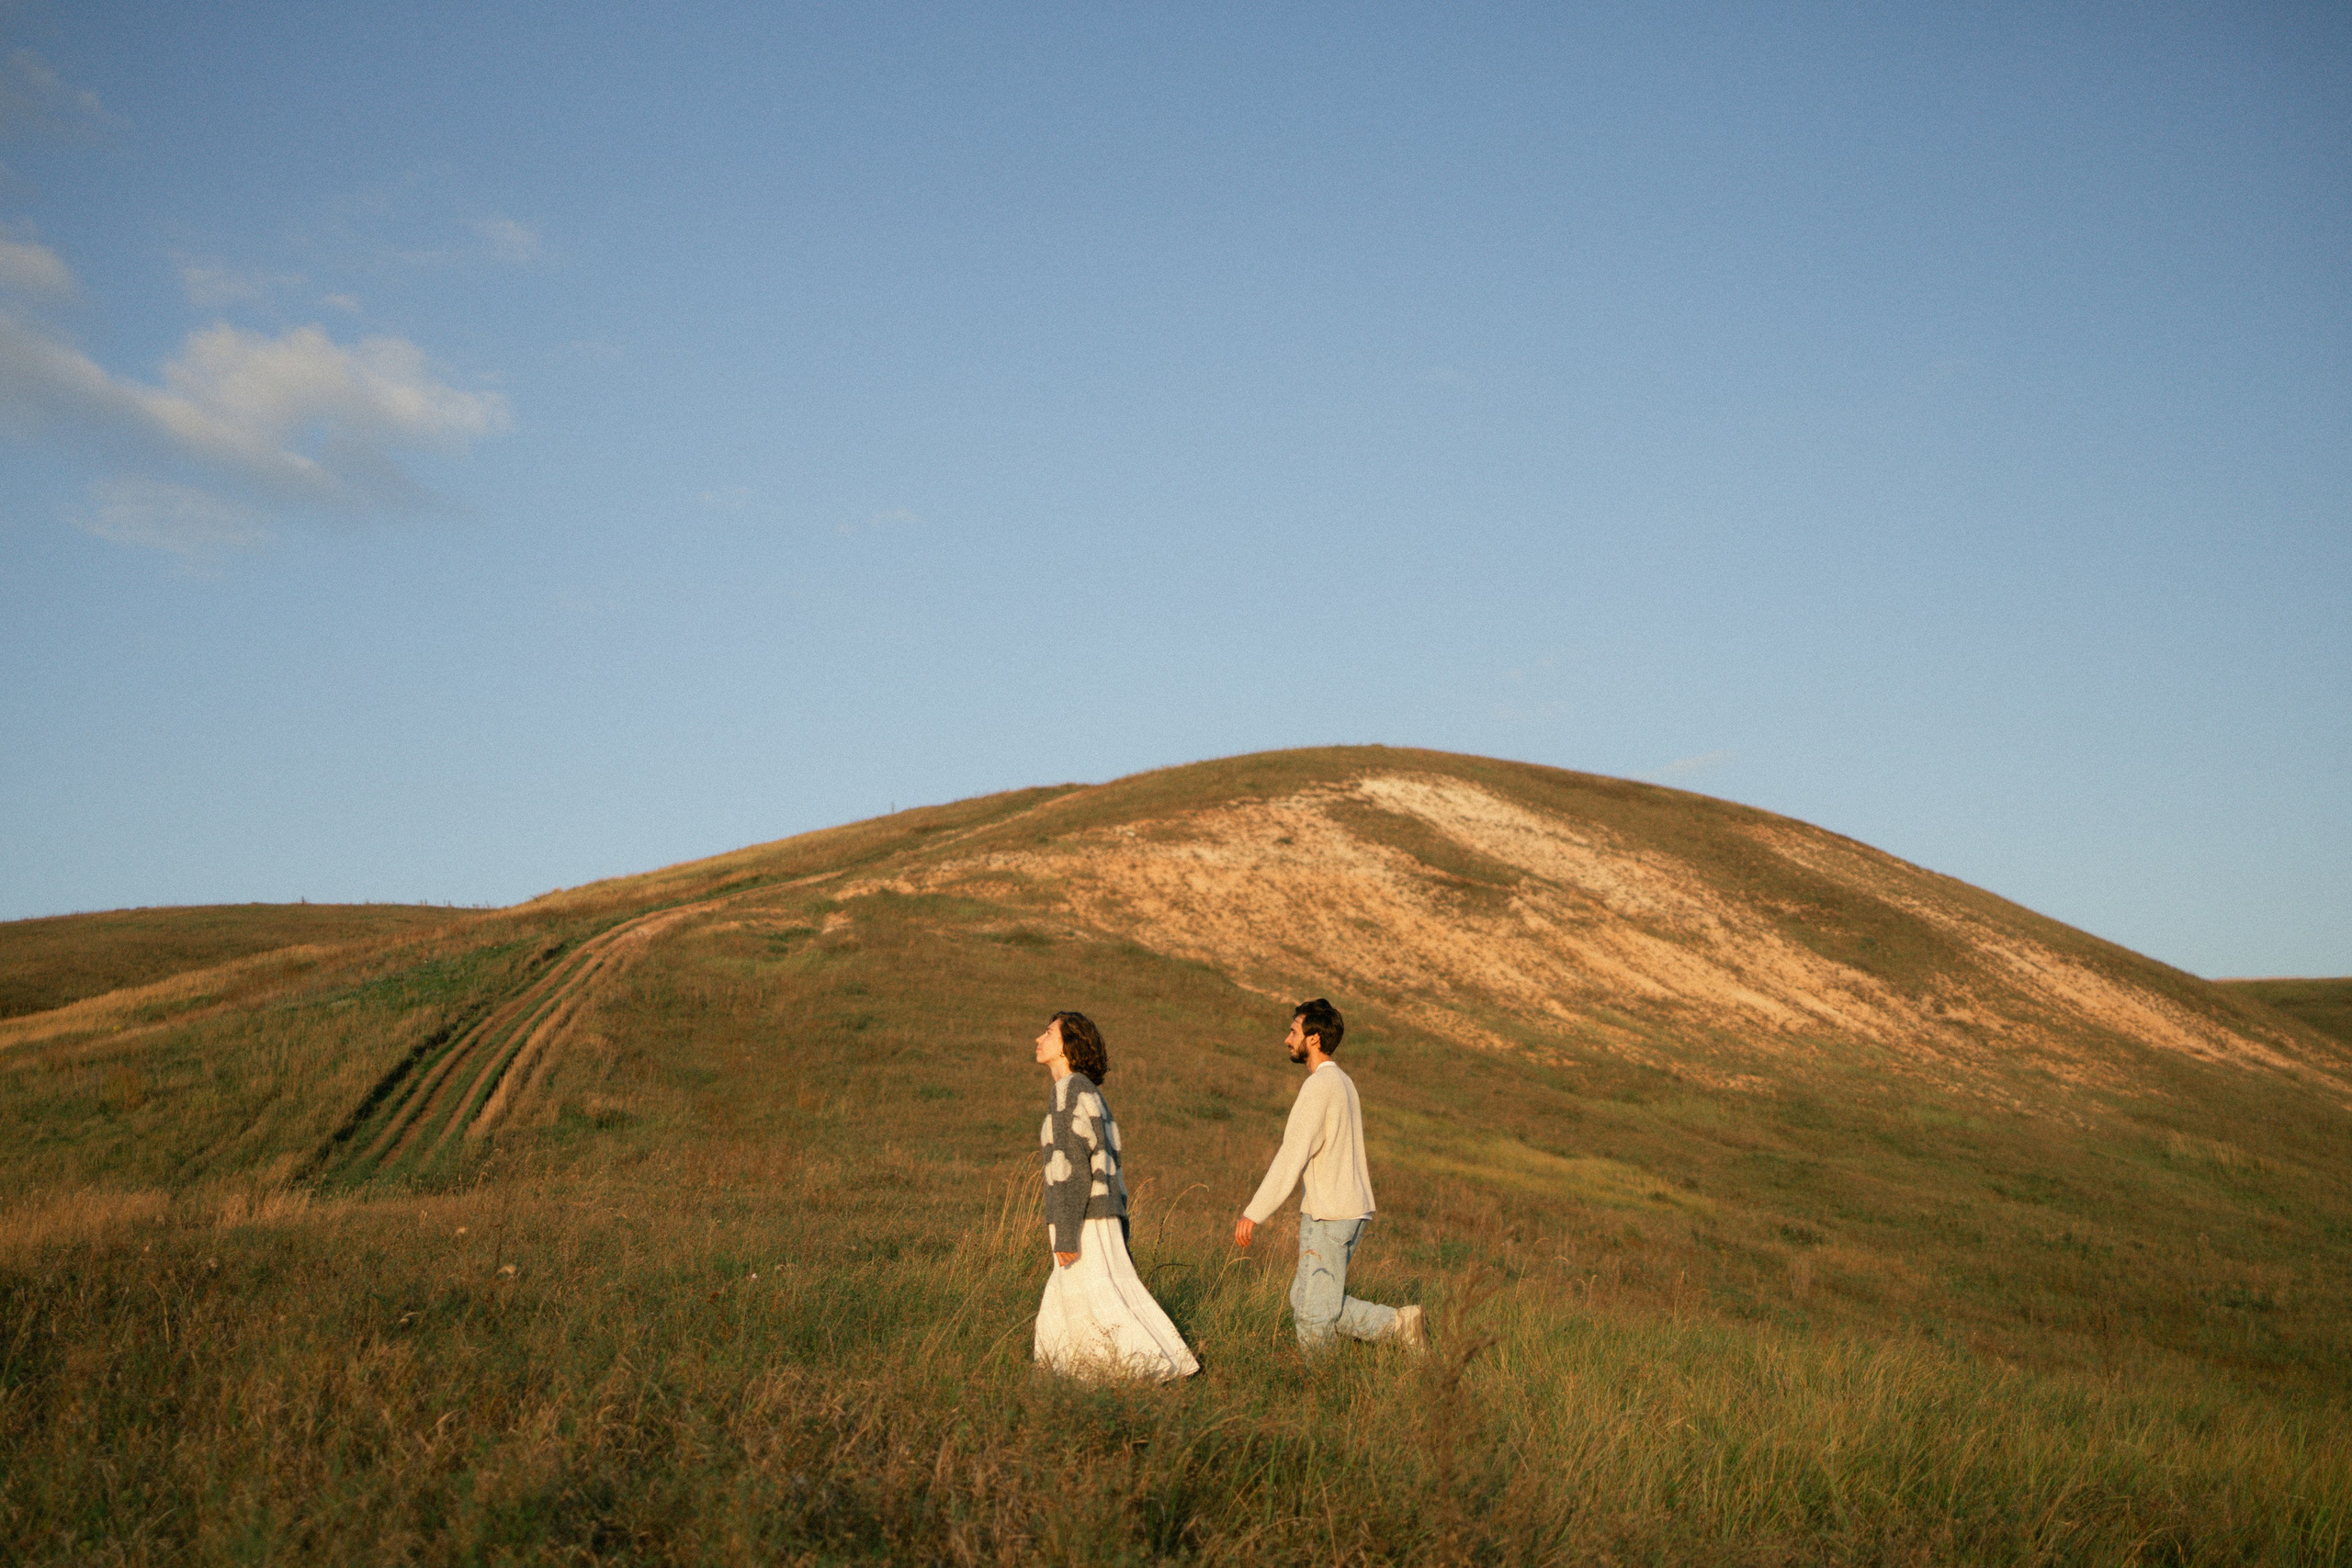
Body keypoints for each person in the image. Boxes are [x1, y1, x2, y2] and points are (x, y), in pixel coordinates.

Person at [1234, 998, 1424, 1351]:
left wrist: (1254, 1213)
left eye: (1293, 1031)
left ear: (1315, 1038)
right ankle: (1400, 1325)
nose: (1287, 1039)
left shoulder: (1319, 1086)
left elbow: (1292, 1155)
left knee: (1312, 1314)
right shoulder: (1343, 1082)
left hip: (1330, 1216)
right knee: (1308, 1299)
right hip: (1350, 1211)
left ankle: (1320, 1385)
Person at [1030, 1010, 1199, 1381]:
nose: (1038, 1040)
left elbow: (1070, 1168)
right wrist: (1118, 1220)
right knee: (1080, 1295)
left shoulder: (1067, 1092)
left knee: (1099, 1298)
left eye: (1048, 1033)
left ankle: (1152, 1368)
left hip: (1081, 1218)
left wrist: (1067, 1232)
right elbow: (1108, 1163)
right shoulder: (1091, 1093)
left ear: (1067, 1047)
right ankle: (1066, 1372)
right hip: (1102, 1214)